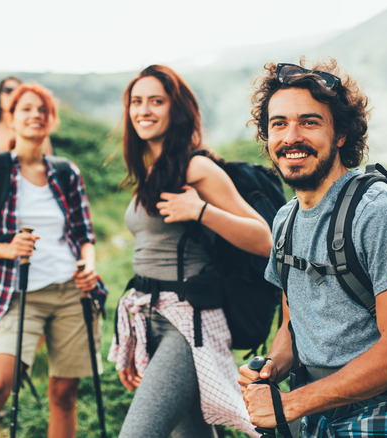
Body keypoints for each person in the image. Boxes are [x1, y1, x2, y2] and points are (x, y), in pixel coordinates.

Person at [238, 59, 387, 437]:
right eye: (278, 124)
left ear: (340, 135)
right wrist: (270, 368)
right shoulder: (285, 221)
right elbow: (293, 325)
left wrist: (291, 404)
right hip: (317, 411)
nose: (291, 137)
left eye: (309, 122)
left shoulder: (380, 212)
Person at [107, 65, 271, 438]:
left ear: (175, 110)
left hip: (188, 322)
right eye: (136, 101)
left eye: (156, 101)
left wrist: (200, 211)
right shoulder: (151, 169)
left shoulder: (196, 167)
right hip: (150, 316)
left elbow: (264, 239)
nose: (143, 110)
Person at [0, 83, 107, 438]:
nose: (35, 115)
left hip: (71, 292)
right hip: (13, 292)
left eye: (42, 110)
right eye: (26, 109)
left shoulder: (66, 172)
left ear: (51, 120)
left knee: (64, 393)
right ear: (10, 118)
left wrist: (88, 264)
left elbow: (85, 236)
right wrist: (9, 248)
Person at [0, 76, 54, 155]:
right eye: (8, 90)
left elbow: (47, 163)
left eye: (18, 91)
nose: (14, 94)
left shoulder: (35, 132)